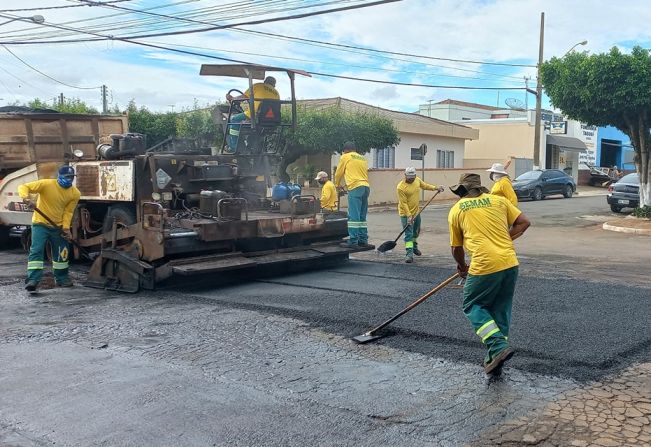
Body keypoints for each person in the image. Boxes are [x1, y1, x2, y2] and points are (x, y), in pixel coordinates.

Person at [447, 173, 530, 375]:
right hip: (510, 263)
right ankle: (494, 357)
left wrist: (462, 266)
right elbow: (524, 222)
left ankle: (498, 346)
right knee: (500, 309)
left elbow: (456, 248)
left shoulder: (457, 209)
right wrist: (503, 238)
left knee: (472, 304)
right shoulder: (499, 201)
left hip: (485, 264)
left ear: (463, 191)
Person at [18, 166, 81, 291]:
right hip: (40, 224)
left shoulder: (75, 193)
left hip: (58, 227)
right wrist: (26, 199)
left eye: (71, 178)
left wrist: (66, 228)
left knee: (62, 252)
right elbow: (23, 187)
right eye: (66, 177)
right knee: (37, 250)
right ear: (59, 176)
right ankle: (33, 279)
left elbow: (68, 212)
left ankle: (62, 278)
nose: (69, 180)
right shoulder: (46, 184)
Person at [397, 167, 444, 263]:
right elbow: (403, 203)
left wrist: (436, 188)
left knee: (416, 232)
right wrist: (409, 216)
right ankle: (409, 254)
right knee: (408, 234)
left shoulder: (417, 180)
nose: (411, 179)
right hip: (405, 214)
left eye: (413, 177)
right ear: (405, 175)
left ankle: (414, 247)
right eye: (409, 177)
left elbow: (425, 186)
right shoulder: (401, 187)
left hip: (417, 212)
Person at [334, 141, 373, 249]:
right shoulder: (362, 158)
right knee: (362, 216)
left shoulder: (345, 156)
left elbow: (339, 173)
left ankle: (353, 241)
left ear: (345, 150)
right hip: (366, 187)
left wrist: (336, 185)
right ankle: (363, 240)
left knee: (353, 216)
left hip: (355, 187)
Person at [225, 76, 280, 152]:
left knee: (234, 120)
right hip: (270, 119)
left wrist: (231, 99)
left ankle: (233, 147)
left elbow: (242, 97)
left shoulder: (258, 86)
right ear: (274, 85)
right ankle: (251, 147)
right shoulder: (276, 93)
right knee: (254, 128)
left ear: (265, 82)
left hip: (255, 115)